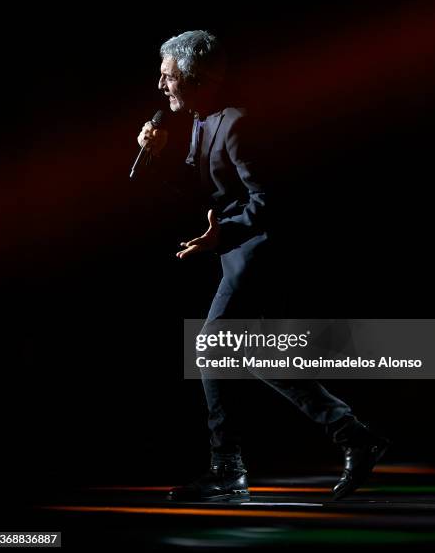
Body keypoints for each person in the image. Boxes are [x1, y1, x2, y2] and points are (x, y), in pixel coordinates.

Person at [137, 30, 390, 502]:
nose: (161, 84)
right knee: (251, 355)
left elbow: (272, 200)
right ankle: (354, 436)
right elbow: (203, 196)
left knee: (214, 346)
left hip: (262, 253)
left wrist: (223, 234)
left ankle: (229, 470)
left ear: (194, 78)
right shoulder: (200, 120)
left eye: (168, 75)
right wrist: (154, 158)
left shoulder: (236, 123)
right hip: (238, 252)